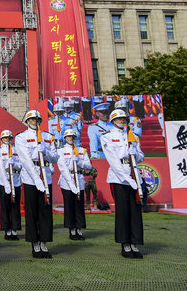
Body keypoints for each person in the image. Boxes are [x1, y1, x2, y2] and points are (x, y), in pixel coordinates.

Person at [102, 109, 145, 259]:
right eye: (119, 118)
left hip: (133, 173)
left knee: (135, 210)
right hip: (119, 178)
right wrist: (127, 179)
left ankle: (134, 242)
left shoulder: (133, 135)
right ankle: (125, 244)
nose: (122, 120)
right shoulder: (107, 137)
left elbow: (141, 156)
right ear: (113, 120)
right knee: (123, 210)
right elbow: (113, 161)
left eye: (124, 118)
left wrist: (135, 152)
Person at [15, 110, 58, 258]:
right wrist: (36, 179)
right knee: (32, 211)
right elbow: (26, 160)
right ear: (27, 121)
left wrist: (45, 151)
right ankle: (34, 243)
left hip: (46, 176)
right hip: (30, 178)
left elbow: (55, 157)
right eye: (32, 119)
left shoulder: (48, 137)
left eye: (37, 119)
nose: (35, 121)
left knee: (45, 211)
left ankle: (44, 243)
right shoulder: (21, 137)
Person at [57, 129, 92, 240]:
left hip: (79, 180)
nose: (71, 138)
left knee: (79, 205)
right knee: (69, 205)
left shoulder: (82, 150)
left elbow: (88, 166)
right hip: (67, 181)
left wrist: (79, 162)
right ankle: (71, 229)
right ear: (65, 138)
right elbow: (62, 166)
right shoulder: (61, 150)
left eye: (72, 136)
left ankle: (79, 229)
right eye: (68, 136)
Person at [0, 130, 22, 241]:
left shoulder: (16, 150)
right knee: (5, 207)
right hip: (3, 180)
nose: (8, 140)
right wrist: (6, 183)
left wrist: (14, 163)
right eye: (5, 138)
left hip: (15, 180)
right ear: (1, 139)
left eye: (9, 138)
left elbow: (21, 165)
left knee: (15, 206)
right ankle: (7, 230)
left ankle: (14, 230)